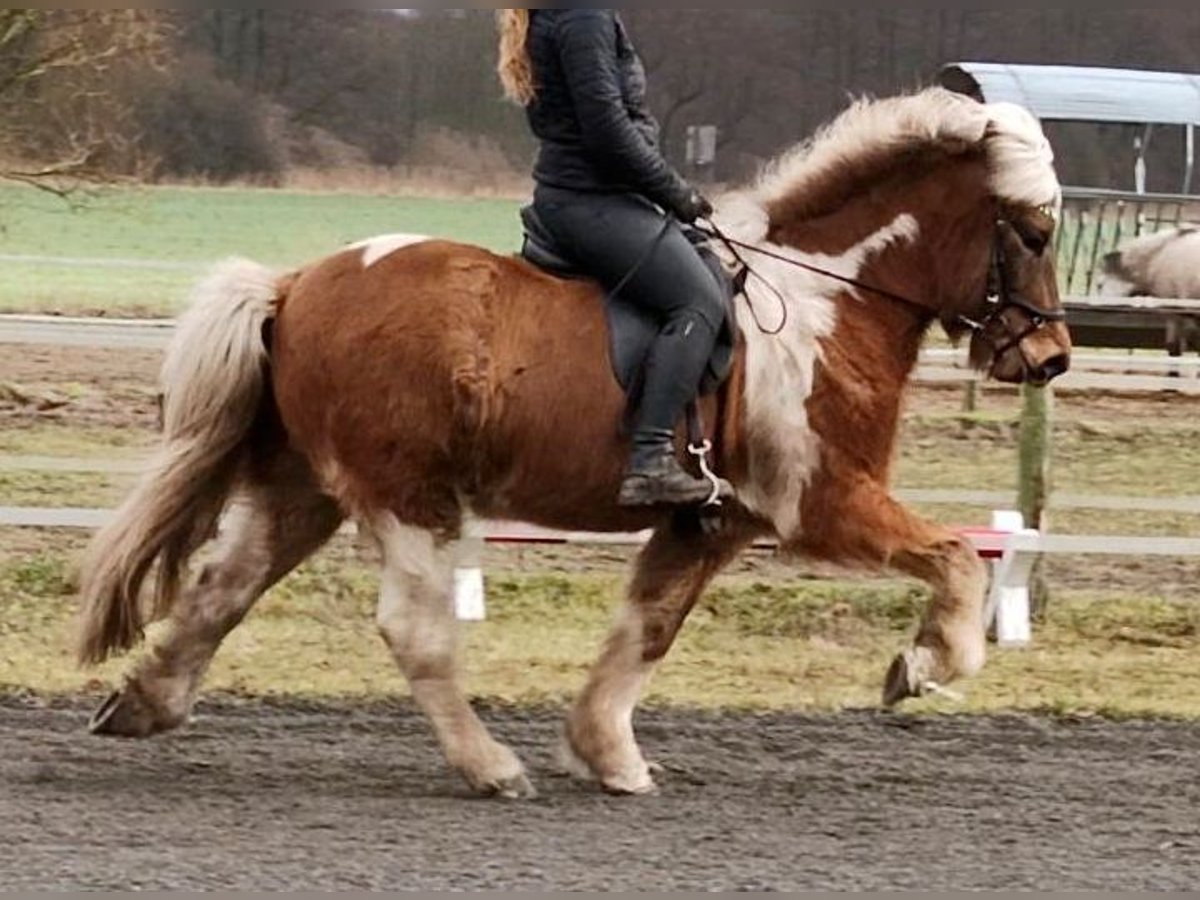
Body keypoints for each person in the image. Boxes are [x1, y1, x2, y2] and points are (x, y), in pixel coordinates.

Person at [498, 8, 732, 509]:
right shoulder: (584, 16)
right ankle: (650, 460)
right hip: (593, 202)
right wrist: (676, 193)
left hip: (585, 197)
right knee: (698, 301)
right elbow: (607, 133)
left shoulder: (558, 14)